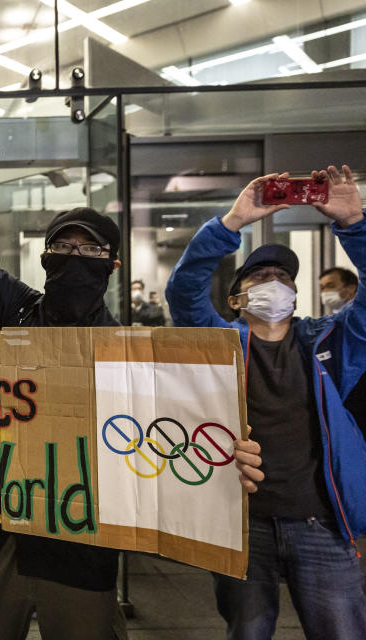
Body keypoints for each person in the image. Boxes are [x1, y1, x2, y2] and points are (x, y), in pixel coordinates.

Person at [0, 123, 263, 640]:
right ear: (45, 259)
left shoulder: (134, 354)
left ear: (113, 266)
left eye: (91, 251)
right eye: (63, 247)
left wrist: (227, 459)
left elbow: (178, 437)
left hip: (84, 546)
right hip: (1, 533)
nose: (75, 258)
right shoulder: (12, 310)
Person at [166, 165, 366, 639]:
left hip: (319, 522)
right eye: (260, 276)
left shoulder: (333, 341)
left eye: (283, 276)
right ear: (236, 300)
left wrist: (355, 226)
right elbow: (184, 291)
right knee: (247, 632)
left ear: (296, 296)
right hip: (242, 524)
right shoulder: (218, 343)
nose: (274, 280)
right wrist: (231, 223)